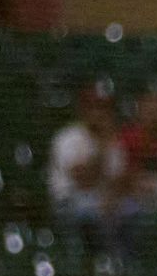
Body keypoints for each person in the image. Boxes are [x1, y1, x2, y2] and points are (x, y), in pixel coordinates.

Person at [47, 89, 131, 250]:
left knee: (135, 213)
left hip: (103, 201)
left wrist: (112, 198)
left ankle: (125, 268)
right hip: (69, 201)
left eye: (103, 108)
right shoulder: (68, 137)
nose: (99, 113)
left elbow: (120, 181)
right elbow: (82, 181)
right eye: (93, 107)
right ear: (83, 110)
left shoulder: (114, 141)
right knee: (96, 216)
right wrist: (102, 147)